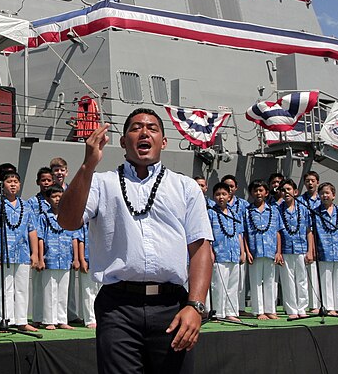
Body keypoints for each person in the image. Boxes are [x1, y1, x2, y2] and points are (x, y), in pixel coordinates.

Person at [59, 108, 213, 373]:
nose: (144, 132)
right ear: (122, 141)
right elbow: (68, 220)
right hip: (118, 308)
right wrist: (88, 165)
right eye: (135, 127)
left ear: (163, 142)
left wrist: (196, 306)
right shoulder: (99, 183)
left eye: (152, 128)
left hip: (172, 306)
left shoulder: (185, 187)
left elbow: (201, 249)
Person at [0, 170, 40, 332]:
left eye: (16, 182)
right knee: (5, 288)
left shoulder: (26, 206)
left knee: (22, 287)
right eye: (10, 182)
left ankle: (22, 320)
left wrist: (35, 253)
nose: (13, 185)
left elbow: (32, 230)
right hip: (4, 253)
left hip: (22, 252)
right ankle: (5, 319)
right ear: (3, 185)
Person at [37, 184, 79, 330]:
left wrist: (75, 258)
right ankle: (49, 320)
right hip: (50, 257)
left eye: (59, 197)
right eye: (54, 197)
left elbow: (74, 237)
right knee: (50, 289)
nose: (57, 199)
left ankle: (62, 319)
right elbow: (40, 237)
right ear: (48, 199)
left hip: (65, 258)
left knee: (63, 290)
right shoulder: (43, 217)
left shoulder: (68, 215)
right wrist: (41, 258)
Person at [243, 179, 283, 320]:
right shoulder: (247, 211)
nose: (258, 193)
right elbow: (245, 233)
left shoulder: (274, 210)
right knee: (255, 281)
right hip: (255, 251)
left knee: (270, 281)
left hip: (271, 251)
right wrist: (247, 252)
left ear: (266, 193)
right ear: (251, 193)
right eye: (255, 190)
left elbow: (278, 231)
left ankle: (270, 310)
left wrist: (278, 252)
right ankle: (259, 310)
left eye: (261, 190)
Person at [313, 182, 338, 316]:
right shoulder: (316, 213)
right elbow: (311, 233)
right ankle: (329, 307)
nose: (325, 195)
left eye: (327, 193)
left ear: (333, 195)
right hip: (324, 250)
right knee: (326, 280)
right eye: (322, 193)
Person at [207, 182, 244, 322]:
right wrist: (210, 251)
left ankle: (231, 312)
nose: (220, 197)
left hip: (233, 253)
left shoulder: (234, 213)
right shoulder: (210, 213)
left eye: (224, 194)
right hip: (219, 253)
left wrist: (242, 251)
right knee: (219, 285)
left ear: (229, 196)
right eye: (217, 194)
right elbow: (208, 235)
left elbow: (239, 234)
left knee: (233, 285)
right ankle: (218, 312)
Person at [277, 179, 313, 320]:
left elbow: (309, 230)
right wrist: (278, 251)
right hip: (286, 249)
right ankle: (292, 309)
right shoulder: (278, 209)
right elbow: (278, 232)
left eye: (288, 189)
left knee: (302, 280)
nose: (286, 193)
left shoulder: (303, 208)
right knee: (288, 281)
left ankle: (302, 308)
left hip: (301, 248)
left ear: (295, 192)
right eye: (283, 190)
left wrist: (310, 251)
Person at [28, 166, 54, 327]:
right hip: (37, 245)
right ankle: (38, 317)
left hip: (54, 247)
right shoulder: (32, 202)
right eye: (43, 180)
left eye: (48, 180)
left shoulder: (58, 200)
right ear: (38, 182)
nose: (46, 183)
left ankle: (53, 317)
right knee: (38, 284)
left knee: (52, 285)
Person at [221, 174, 248, 316]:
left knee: (237, 283)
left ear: (236, 188)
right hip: (221, 251)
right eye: (226, 186)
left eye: (231, 186)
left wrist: (244, 251)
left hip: (237, 248)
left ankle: (236, 310)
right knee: (221, 283)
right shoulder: (214, 209)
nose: (229, 189)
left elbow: (242, 231)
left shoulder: (242, 205)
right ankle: (220, 312)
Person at [300, 170, 322, 311]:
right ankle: (309, 305)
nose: (310, 183)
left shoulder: (322, 199)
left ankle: (319, 304)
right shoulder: (301, 201)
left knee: (319, 273)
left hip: (322, 237)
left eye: (312, 180)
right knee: (306, 273)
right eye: (307, 181)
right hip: (306, 236)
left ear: (317, 182)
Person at [76, 220, 99, 329]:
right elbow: (81, 241)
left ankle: (99, 317)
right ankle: (90, 319)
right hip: (88, 260)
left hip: (102, 262)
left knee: (100, 290)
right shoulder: (84, 224)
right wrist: (82, 259)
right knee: (88, 291)